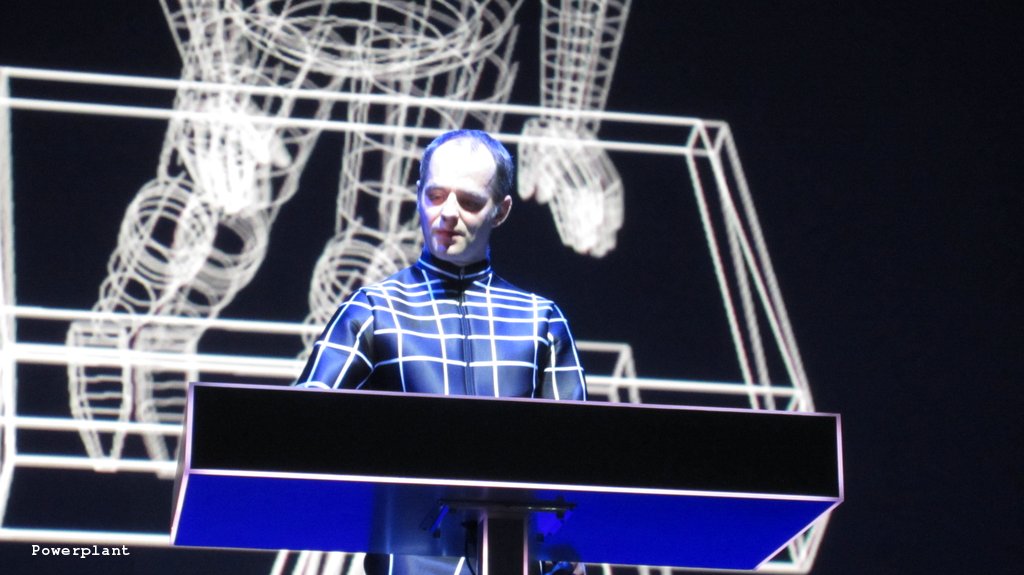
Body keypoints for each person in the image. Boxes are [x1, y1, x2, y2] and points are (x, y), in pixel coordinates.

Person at [296, 129, 587, 575]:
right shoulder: (374, 310)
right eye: (435, 195)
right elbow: (298, 428)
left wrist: (562, 563)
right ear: (418, 195)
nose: (447, 212)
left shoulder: (540, 320)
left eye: (469, 201)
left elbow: (576, 469)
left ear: (501, 210)